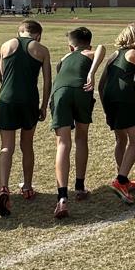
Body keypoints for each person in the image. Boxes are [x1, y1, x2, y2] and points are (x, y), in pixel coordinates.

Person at [0, 20, 51, 216]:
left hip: (7, 99)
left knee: (6, 147)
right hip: (29, 100)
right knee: (27, 145)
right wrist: (44, 105)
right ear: (38, 35)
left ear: (20, 32)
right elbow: (47, 81)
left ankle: (3, 187)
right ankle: (27, 186)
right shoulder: (41, 50)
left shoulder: (6, 45)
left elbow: (2, 74)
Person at [50, 27, 105, 218]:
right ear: (88, 44)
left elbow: (59, 70)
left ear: (70, 46)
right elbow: (101, 48)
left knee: (62, 143)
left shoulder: (65, 57)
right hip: (82, 90)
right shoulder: (88, 53)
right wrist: (92, 72)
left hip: (60, 93)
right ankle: (80, 187)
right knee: (81, 138)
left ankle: (62, 197)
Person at [99, 24, 135, 204]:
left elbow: (101, 84)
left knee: (121, 139)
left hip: (109, 98)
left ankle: (123, 178)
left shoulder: (113, 55)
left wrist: (105, 108)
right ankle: (121, 180)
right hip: (124, 97)